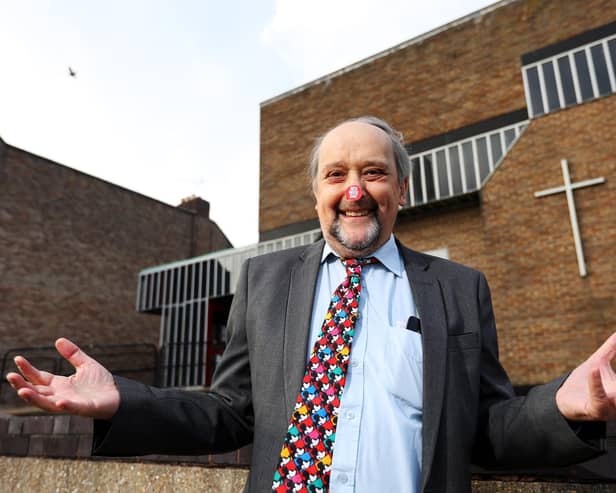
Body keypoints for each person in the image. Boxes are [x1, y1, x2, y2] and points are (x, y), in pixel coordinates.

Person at [6, 116, 616, 493]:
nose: (355, 190)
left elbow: (484, 427)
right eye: (336, 175)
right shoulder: (267, 281)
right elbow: (230, 412)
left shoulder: (458, 288)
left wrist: (562, 407)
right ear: (318, 192)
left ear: (400, 190)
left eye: (374, 173)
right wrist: (123, 401)